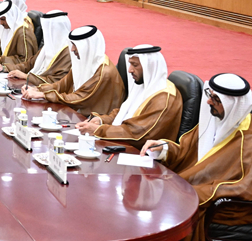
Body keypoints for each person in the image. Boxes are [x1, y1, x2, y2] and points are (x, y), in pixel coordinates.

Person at [142, 73, 252, 241]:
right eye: (209, 95)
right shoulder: (214, 119)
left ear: (233, 105)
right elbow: (186, 151)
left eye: (216, 99)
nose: (208, 102)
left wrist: (195, 193)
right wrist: (164, 149)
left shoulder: (248, 138)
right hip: (189, 188)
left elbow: (245, 188)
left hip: (222, 207)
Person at [76, 45, 182, 149]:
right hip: (123, 143)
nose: (130, 70)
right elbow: (125, 113)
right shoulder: (145, 84)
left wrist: (98, 130)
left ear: (149, 67)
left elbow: (137, 132)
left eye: (135, 65)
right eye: (130, 64)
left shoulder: (164, 99)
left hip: (140, 153)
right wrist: (101, 120)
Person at [22, 25, 125, 117]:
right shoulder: (83, 62)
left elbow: (81, 98)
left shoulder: (104, 72)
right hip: (78, 112)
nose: (72, 49)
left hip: (95, 119)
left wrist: (43, 95)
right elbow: (61, 85)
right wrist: (38, 89)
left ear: (87, 47)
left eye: (76, 45)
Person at [7, 10, 72, 86]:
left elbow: (57, 81)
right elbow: (29, 64)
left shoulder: (68, 52)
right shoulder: (48, 46)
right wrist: (5, 68)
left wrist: (27, 77)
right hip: (34, 86)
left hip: (45, 89)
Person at [0, 0, 38, 70]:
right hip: (3, 68)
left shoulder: (23, 33)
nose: (1, 23)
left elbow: (25, 61)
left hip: (15, 73)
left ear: (11, 17)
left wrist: (1, 59)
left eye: (3, 19)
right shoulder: (7, 29)